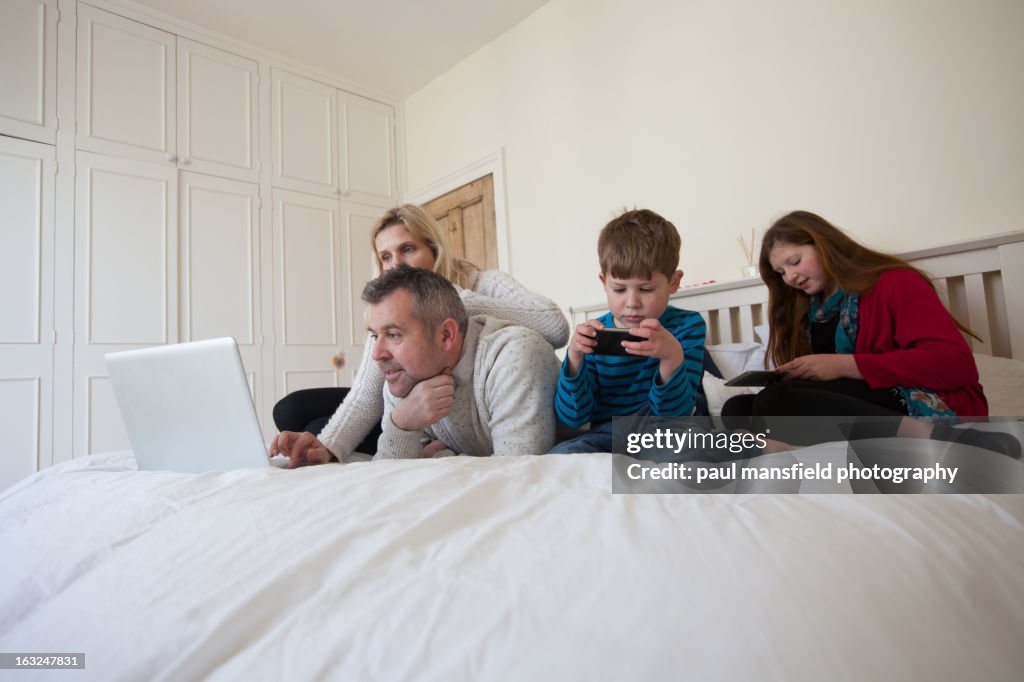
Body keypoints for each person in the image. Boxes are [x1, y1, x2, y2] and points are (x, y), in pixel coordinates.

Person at [271, 204, 569, 465]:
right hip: (454, 417)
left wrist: (454, 301)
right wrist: (329, 446)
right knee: (296, 412)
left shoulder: (490, 300)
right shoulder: (398, 359)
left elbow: (555, 327)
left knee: (602, 457)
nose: (396, 264)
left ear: (435, 249)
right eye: (386, 257)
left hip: (532, 406)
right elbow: (366, 397)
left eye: (408, 249)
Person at [722, 210, 1019, 455]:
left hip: (917, 397)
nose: (790, 276)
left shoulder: (895, 283)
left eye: (795, 261)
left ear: (823, 244)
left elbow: (957, 365)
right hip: (860, 400)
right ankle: (775, 450)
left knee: (779, 401)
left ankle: (947, 440)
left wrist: (844, 365)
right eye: (781, 273)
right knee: (739, 406)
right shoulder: (809, 310)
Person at [550, 208, 707, 454]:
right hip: (607, 434)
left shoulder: (688, 326)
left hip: (665, 433)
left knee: (697, 449)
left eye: (646, 289)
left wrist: (671, 358)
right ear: (604, 284)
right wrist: (574, 358)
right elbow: (573, 417)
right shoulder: (594, 335)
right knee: (562, 455)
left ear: (674, 283)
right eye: (619, 289)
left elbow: (675, 417)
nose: (632, 303)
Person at [370, 265, 558, 457]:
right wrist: (401, 425)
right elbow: (387, 480)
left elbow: (516, 474)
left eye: (393, 335)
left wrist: (439, 460)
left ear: (445, 335)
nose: (377, 354)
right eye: (374, 336)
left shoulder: (513, 356)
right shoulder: (403, 378)